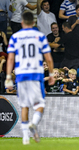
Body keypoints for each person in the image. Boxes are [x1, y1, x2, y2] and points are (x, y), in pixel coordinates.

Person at [5, 11, 55, 145]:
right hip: (36, 74)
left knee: (24, 105)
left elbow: (10, 58)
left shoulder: (15, 37)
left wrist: (8, 77)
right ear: (33, 23)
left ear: (22, 22)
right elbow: (48, 59)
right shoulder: (40, 37)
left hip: (21, 74)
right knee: (40, 105)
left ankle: (25, 138)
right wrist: (51, 74)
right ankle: (33, 123)